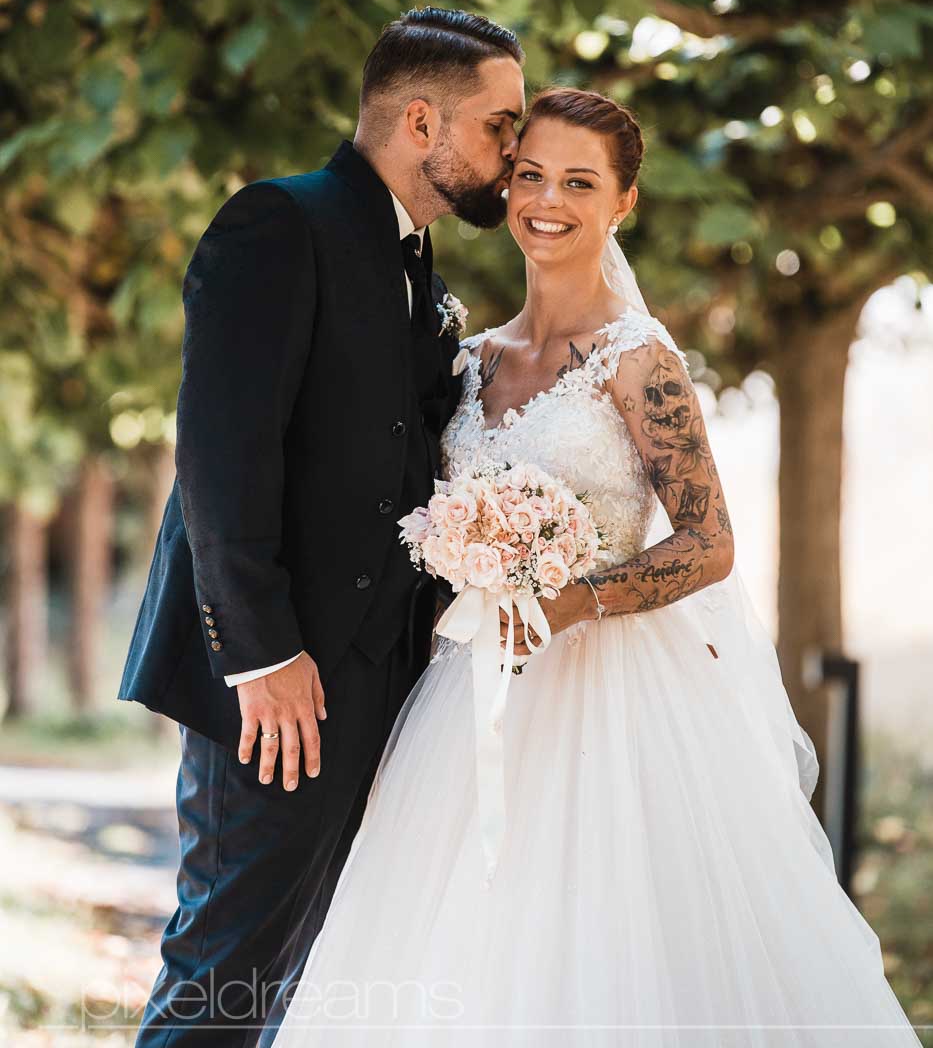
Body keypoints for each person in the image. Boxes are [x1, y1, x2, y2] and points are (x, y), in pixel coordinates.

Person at [258, 87, 922, 1047]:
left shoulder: (638, 359)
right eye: (529, 174)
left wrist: (574, 603)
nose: (546, 200)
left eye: (579, 181)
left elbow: (708, 541)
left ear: (622, 203)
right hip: (468, 692)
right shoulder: (469, 357)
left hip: (614, 690)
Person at [116, 6, 525, 1045]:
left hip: (377, 675)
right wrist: (262, 655)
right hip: (278, 684)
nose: (513, 154)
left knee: (312, 978)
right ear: (421, 119)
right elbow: (220, 453)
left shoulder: (414, 261)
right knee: (227, 968)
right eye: (500, 125)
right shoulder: (279, 223)